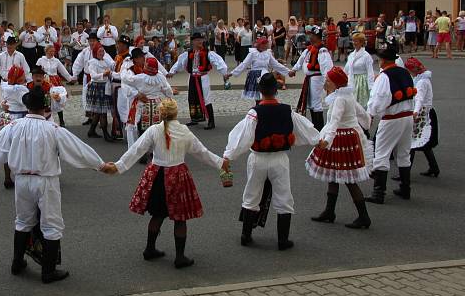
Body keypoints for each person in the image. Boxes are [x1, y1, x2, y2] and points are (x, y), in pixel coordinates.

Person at [0, 87, 108, 284]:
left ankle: (17, 262)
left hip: (21, 180)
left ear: (27, 105)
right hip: (45, 180)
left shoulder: (13, 126)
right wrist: (100, 165)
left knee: (22, 221)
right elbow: (77, 150)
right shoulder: (52, 129)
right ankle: (48, 271)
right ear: (45, 107)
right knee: (51, 224)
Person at [102, 99, 229, 268]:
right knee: (180, 218)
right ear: (176, 113)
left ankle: (150, 248)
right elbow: (201, 152)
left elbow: (136, 150)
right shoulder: (184, 131)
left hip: (157, 175)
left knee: (158, 214)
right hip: (177, 175)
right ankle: (180, 257)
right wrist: (221, 163)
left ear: (161, 114)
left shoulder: (154, 130)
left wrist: (118, 167)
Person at [224, 74, 321, 250]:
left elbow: (243, 137)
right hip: (279, 159)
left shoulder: (254, 113)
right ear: (276, 90)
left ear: (260, 91)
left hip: (258, 159)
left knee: (252, 194)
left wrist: (229, 156)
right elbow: (304, 128)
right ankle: (283, 240)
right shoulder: (287, 110)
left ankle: (246, 235)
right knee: (284, 196)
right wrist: (317, 140)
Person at [306, 67, 372, 230]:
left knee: (348, 178)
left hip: (342, 138)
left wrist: (327, 141)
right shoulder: (345, 95)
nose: (325, 82)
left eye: (328, 80)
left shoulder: (340, 99)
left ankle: (364, 217)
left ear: (336, 83)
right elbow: (362, 113)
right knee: (334, 175)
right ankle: (329, 211)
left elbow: (334, 121)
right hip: (347, 135)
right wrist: (364, 126)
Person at [365, 36, 416, 205]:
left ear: (383, 61)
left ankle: (379, 193)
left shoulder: (384, 77)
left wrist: (370, 115)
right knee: (403, 153)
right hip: (407, 117)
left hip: (392, 119)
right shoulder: (405, 73)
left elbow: (378, 100)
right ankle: (405, 188)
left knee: (381, 153)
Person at [168, 33, 227, 129]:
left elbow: (218, 62)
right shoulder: (188, 53)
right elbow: (179, 63)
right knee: (192, 98)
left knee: (206, 98)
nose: (200, 41)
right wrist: (172, 72)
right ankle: (195, 118)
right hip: (192, 77)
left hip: (203, 77)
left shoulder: (208, 53)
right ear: (193, 42)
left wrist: (224, 73)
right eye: (197, 40)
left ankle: (211, 121)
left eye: (201, 39)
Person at [290, 26, 334, 131]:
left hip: (317, 79)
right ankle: (315, 127)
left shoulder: (322, 50)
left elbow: (326, 67)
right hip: (310, 79)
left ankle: (319, 128)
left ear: (317, 36)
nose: (309, 36)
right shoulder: (310, 49)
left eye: (312, 35)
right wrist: (294, 69)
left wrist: (327, 81)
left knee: (316, 103)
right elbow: (301, 60)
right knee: (310, 103)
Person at [405, 57, 439, 178]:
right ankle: (434, 167)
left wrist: (415, 112)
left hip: (423, 113)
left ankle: (405, 173)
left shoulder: (421, 82)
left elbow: (419, 98)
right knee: (424, 143)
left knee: (412, 143)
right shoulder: (422, 78)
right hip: (426, 112)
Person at [227, 37, 289, 102]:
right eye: (265, 44)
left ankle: (264, 108)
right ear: (260, 45)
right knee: (258, 97)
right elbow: (244, 64)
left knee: (266, 94)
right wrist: (232, 73)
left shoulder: (268, 53)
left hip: (265, 76)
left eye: (267, 44)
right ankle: (259, 108)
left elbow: (276, 64)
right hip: (255, 76)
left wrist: (288, 71)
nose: (267, 46)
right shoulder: (252, 53)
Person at [85, 43, 116, 141]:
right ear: (95, 52)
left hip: (105, 86)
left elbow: (111, 69)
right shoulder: (92, 62)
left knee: (99, 111)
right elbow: (93, 75)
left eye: (103, 51)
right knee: (102, 112)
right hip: (97, 87)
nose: (102, 53)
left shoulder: (106, 61)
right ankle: (106, 134)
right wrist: (104, 74)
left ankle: (91, 131)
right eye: (100, 51)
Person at [344, 33, 374, 111]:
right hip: (351, 80)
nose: (354, 43)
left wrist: (371, 87)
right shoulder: (351, 55)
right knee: (352, 106)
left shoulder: (366, 56)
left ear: (361, 42)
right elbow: (346, 69)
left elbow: (370, 72)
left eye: (356, 41)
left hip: (362, 82)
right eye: (353, 41)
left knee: (360, 106)